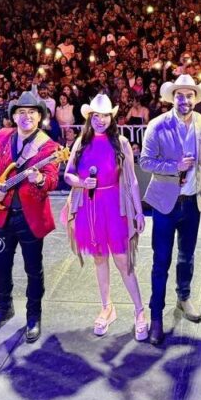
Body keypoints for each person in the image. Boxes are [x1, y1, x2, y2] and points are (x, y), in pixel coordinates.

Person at [139, 74, 201, 346]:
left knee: (187, 257)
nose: (185, 100)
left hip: (192, 202)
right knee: (161, 261)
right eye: (180, 95)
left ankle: (183, 297)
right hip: (164, 205)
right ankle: (157, 316)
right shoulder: (157, 125)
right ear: (172, 98)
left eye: (189, 95)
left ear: (196, 98)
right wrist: (175, 167)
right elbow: (146, 161)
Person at [62, 94, 148, 341]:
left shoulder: (121, 143)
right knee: (99, 259)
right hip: (91, 206)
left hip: (115, 206)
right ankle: (107, 307)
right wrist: (80, 182)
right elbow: (67, 175)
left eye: (105, 115)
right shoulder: (81, 142)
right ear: (90, 118)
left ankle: (140, 311)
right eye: (96, 116)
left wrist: (139, 211)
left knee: (123, 261)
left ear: (112, 117)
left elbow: (131, 180)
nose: (100, 120)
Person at [0, 91, 60, 343]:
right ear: (14, 116)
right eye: (21, 112)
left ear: (39, 117)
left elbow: (53, 181)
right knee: (1, 267)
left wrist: (40, 179)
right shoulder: (2, 136)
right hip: (0, 215)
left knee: (33, 269)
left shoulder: (49, 147)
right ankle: (3, 308)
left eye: (31, 112)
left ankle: (33, 315)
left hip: (29, 218)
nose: (26, 117)